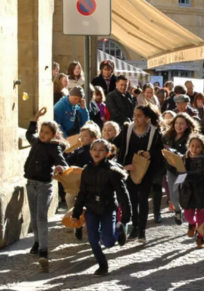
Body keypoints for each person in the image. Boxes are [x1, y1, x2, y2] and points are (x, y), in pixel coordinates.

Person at [72, 139, 132, 276]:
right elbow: (82, 193)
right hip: (91, 209)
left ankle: (119, 230)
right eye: (95, 149)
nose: (97, 152)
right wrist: (76, 213)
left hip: (107, 208)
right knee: (93, 240)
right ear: (90, 151)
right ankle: (102, 264)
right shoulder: (86, 170)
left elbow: (123, 194)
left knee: (109, 242)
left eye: (101, 150)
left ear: (107, 153)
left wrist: (126, 216)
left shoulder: (112, 171)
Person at [112, 105, 165, 243]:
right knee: (132, 200)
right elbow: (114, 144)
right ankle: (135, 227)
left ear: (147, 118)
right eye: (134, 115)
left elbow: (161, 151)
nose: (135, 118)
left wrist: (151, 154)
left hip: (147, 170)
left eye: (139, 116)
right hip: (129, 169)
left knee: (143, 200)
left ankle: (142, 230)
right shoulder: (127, 129)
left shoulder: (155, 132)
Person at [24, 107, 68, 270]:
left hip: (44, 186)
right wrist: (35, 118)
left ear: (53, 135)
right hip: (31, 184)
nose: (42, 135)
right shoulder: (36, 141)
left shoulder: (53, 147)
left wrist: (60, 168)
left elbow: (63, 163)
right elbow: (29, 134)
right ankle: (36, 242)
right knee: (34, 218)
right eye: (42, 131)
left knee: (41, 217)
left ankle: (43, 250)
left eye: (46, 133)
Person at [179, 134, 204, 249]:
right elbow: (176, 169)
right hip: (188, 191)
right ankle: (192, 224)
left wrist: (184, 175)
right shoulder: (184, 157)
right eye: (192, 146)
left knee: (201, 216)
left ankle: (201, 236)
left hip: (202, 190)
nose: (194, 149)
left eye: (197, 147)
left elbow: (199, 174)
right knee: (188, 215)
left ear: (202, 148)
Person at [64, 121, 101, 239]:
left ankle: (94, 227)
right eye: (81, 135)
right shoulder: (78, 150)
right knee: (69, 197)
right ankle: (77, 224)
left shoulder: (97, 150)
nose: (82, 138)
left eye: (85, 136)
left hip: (94, 185)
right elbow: (68, 161)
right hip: (79, 184)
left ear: (92, 138)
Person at [163, 113, 200, 225]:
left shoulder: (190, 138)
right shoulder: (168, 136)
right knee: (173, 195)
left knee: (185, 192)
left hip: (184, 171)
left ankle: (190, 214)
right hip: (171, 169)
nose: (178, 126)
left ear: (187, 125)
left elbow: (191, 154)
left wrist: (175, 152)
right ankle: (178, 210)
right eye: (177, 123)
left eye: (181, 124)